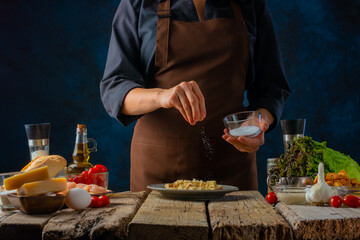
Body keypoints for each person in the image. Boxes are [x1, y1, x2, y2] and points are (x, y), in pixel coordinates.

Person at [100, 0, 291, 192]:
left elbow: (271, 87)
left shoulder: (250, 4)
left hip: (233, 170)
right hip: (159, 172)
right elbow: (115, 87)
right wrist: (161, 96)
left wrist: (259, 122)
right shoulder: (138, 4)